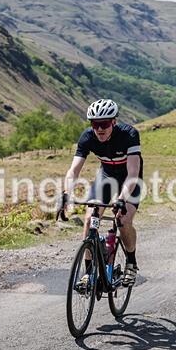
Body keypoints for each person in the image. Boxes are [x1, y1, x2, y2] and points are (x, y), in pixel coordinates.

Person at [58, 99, 142, 286]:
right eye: (95, 124)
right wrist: (66, 194)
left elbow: (133, 173)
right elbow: (74, 171)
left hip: (130, 179)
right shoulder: (88, 137)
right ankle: (88, 273)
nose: (99, 129)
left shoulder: (129, 134)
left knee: (123, 221)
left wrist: (121, 199)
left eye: (104, 124)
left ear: (113, 122)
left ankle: (131, 262)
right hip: (106, 177)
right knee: (89, 220)